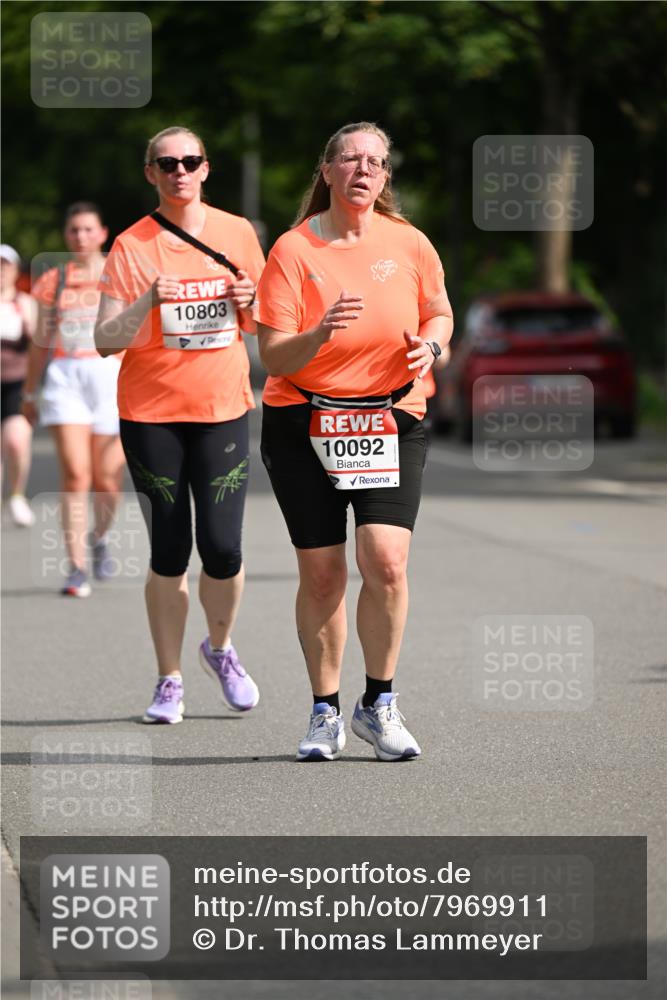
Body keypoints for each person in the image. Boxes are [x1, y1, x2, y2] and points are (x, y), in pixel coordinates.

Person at [257, 122, 453, 762]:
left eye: (376, 161)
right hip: (303, 421)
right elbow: (273, 353)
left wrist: (434, 345)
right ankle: (323, 712)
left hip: (392, 417)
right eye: (351, 158)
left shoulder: (411, 242)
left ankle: (379, 704)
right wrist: (318, 336)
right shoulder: (293, 249)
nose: (364, 169)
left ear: (385, 176)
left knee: (387, 561)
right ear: (328, 170)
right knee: (322, 574)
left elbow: (440, 311)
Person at [94, 125, 264, 725]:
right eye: (166, 164)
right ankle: (169, 680)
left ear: (206, 168)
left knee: (222, 547)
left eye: (190, 161)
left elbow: (263, 324)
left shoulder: (238, 233)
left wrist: (249, 298)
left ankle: (219, 649)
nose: (179, 172)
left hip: (222, 409)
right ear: (151, 173)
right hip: (152, 415)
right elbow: (103, 340)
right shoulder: (131, 245)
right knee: (170, 550)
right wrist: (147, 302)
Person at [23, 203, 125, 595]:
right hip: (67, 376)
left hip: (110, 377)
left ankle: (98, 536)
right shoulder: (54, 281)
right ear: (66, 237)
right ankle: (76, 567)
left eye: (87, 230)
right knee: (76, 474)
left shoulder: (120, 278)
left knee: (107, 480)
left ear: (102, 234)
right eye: (73, 231)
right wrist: (30, 392)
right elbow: (40, 340)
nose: (80, 237)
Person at [1, 244, 37, 526]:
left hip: (15, 383)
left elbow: (38, 344)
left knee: (16, 440)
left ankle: (15, 495)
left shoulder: (25, 302)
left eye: (5, 265)